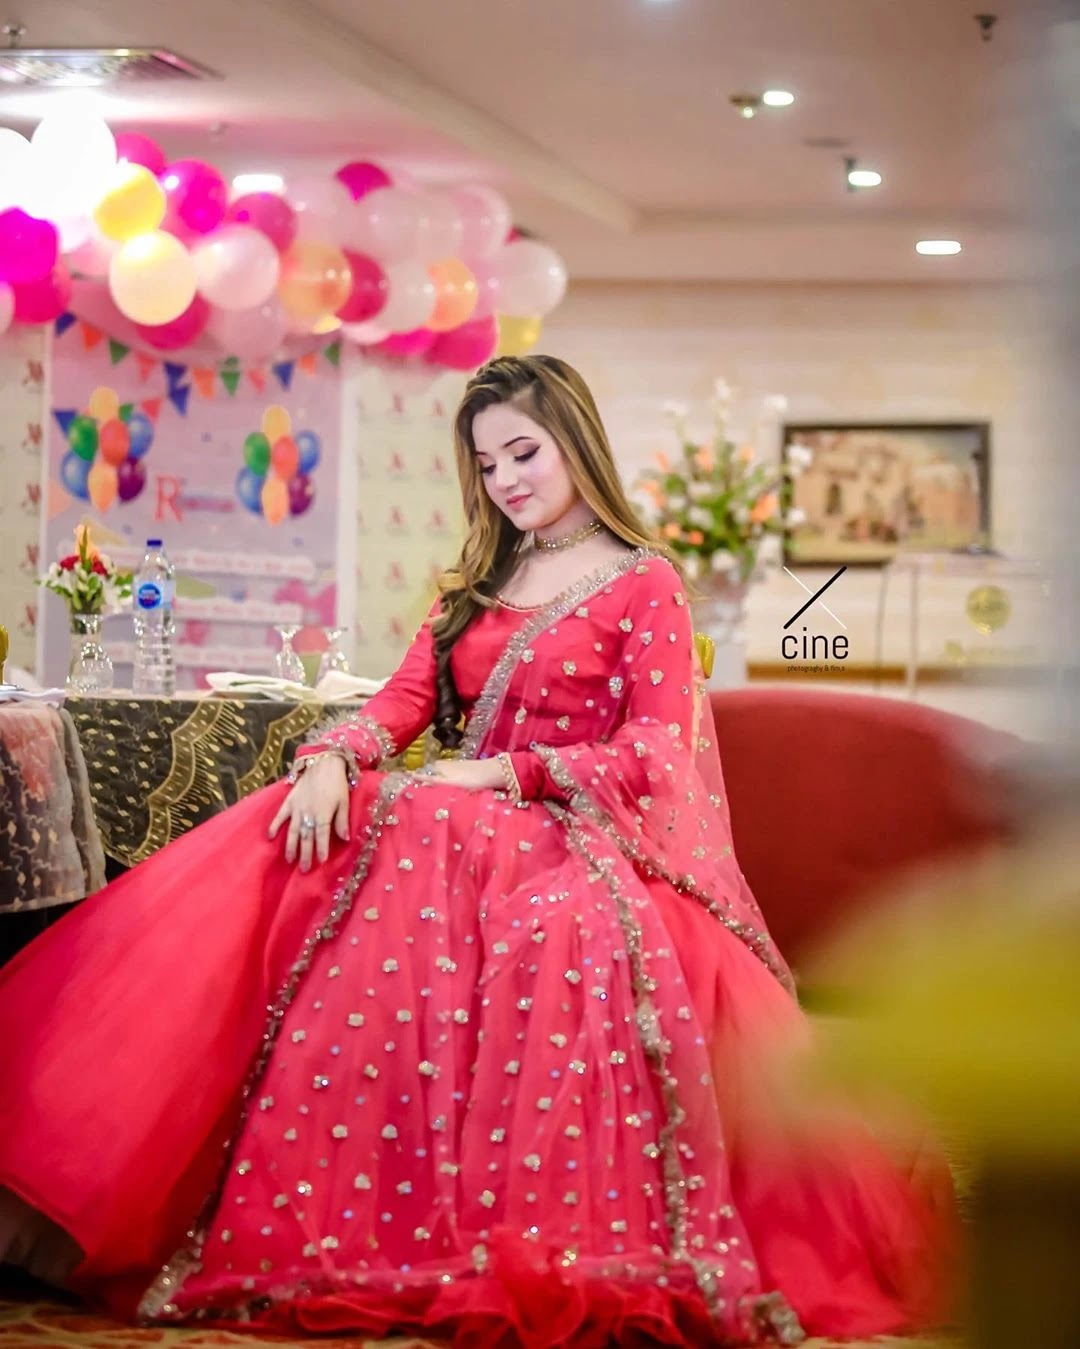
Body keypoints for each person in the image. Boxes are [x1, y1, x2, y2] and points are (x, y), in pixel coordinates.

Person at [0, 356, 955, 1347]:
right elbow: (404, 698)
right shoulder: (480, 577)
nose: (505, 479)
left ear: (575, 440)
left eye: (523, 452)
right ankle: (116, 1166)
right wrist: (331, 755)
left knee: (496, 884)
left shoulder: (645, 582)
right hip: (454, 827)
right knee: (304, 824)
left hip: (577, 839)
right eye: (487, 462)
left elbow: (658, 750)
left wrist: (510, 774)